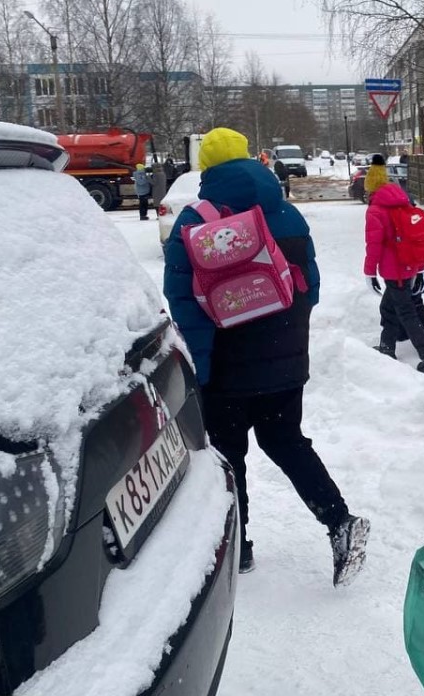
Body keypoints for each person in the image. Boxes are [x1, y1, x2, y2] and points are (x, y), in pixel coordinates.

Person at [163, 127, 370, 584]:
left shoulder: (194, 221)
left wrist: (201, 368)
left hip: (227, 365)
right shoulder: (288, 213)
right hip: (285, 358)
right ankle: (340, 521)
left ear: (206, 168)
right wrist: (288, 337)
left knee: (227, 456)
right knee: (285, 440)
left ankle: (238, 549)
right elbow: (310, 288)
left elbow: (183, 304)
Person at [364, 163, 424, 375]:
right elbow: (417, 236)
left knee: (407, 314)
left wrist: (369, 273)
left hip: (394, 271)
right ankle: (387, 347)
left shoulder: (376, 210)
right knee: (388, 308)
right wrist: (419, 268)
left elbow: (373, 246)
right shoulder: (403, 203)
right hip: (409, 266)